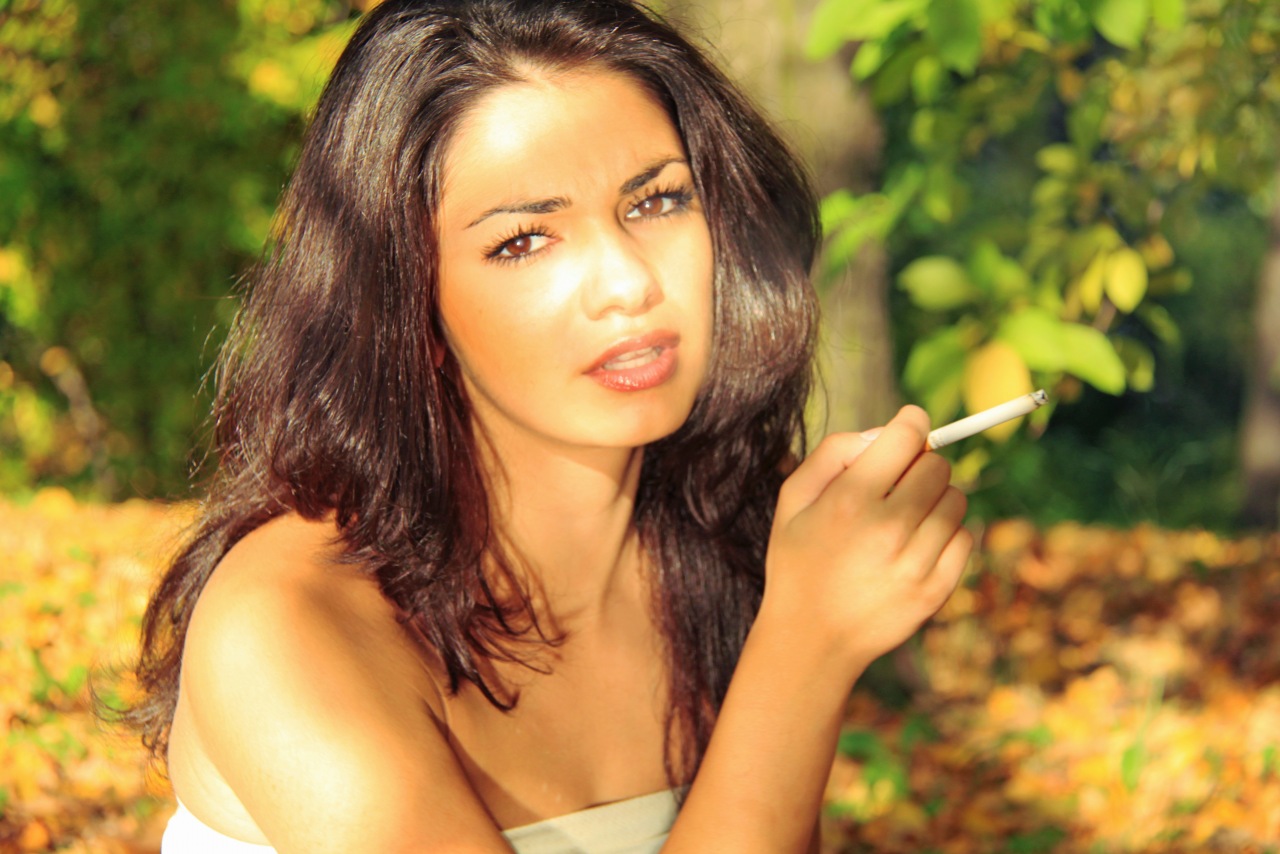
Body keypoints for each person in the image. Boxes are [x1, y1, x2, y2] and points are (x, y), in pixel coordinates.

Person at [125, 0, 972, 851]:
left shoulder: (734, 534)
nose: (629, 284)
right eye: (524, 241)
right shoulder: (291, 624)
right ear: (408, 304)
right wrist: (804, 650)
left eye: (658, 201)